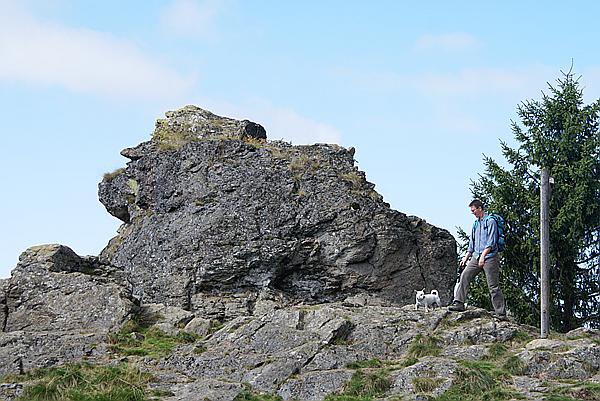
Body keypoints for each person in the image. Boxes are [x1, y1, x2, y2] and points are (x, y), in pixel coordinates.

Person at [448, 199, 507, 320]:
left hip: (490, 257)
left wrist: (483, 256)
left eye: (473, 210)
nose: (472, 213)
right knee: (465, 276)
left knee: (493, 286)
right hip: (476, 256)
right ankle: (459, 302)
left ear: (480, 208)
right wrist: (466, 258)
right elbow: (472, 243)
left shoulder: (490, 221)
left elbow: (491, 241)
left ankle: (501, 314)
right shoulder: (476, 224)